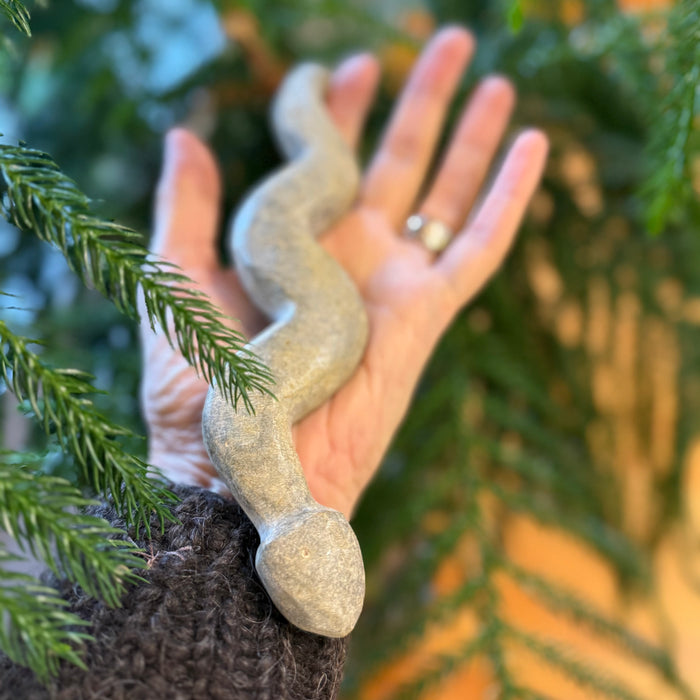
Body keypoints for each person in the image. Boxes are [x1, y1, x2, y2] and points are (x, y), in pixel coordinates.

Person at [0, 26, 548, 699]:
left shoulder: (246, 434)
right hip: (298, 302)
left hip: (304, 319)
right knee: (312, 197)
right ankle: (307, 106)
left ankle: (308, 105)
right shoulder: (243, 434)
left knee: (318, 191)